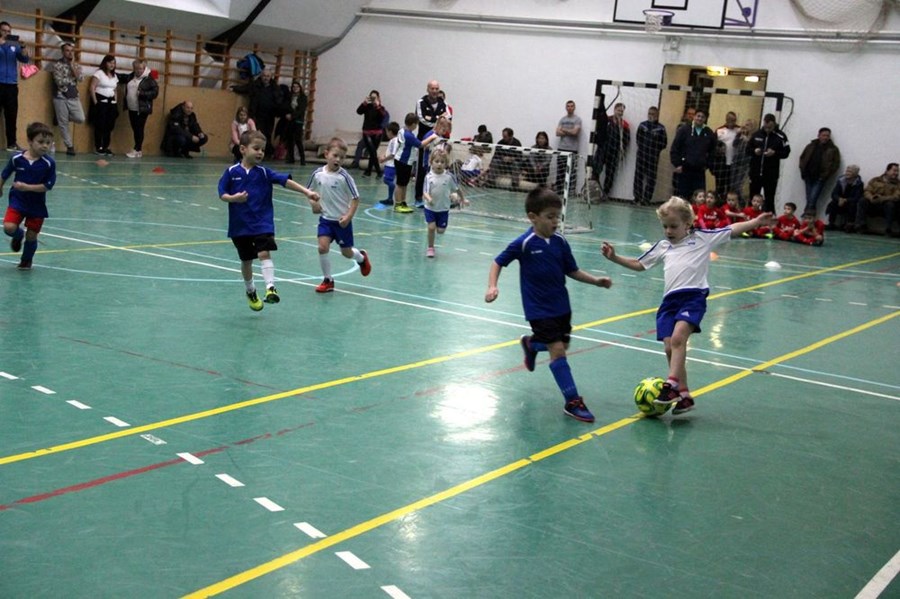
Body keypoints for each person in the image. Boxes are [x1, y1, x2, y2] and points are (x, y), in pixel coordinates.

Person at [601, 196, 774, 414]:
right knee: (669, 347)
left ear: (687, 224)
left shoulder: (702, 238)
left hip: (693, 298)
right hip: (669, 302)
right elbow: (639, 264)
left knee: (678, 339)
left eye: (673, 226)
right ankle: (684, 396)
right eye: (665, 226)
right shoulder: (663, 246)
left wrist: (756, 222)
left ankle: (671, 385)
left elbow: (732, 229)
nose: (668, 231)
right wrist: (615, 258)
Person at [485, 187, 613, 423]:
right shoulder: (524, 243)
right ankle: (573, 402)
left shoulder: (560, 241)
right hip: (538, 309)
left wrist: (596, 281)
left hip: (561, 306)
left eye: (558, 216)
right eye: (550, 216)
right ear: (533, 217)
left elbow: (572, 270)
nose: (556, 221)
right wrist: (492, 286)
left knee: (563, 345)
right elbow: (498, 262)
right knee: (558, 351)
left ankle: (532, 344)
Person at [218, 130, 319, 311]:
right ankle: (250, 290)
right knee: (246, 261)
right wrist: (234, 198)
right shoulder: (231, 172)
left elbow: (285, 181)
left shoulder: (264, 173)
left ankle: (271, 288)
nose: (260, 153)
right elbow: (222, 194)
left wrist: (307, 192)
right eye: (256, 148)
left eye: (263, 150)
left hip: (262, 223)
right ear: (243, 149)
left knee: (264, 253)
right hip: (240, 226)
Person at [305, 137, 373, 292]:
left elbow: (355, 199)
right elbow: (308, 191)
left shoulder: (345, 177)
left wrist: (348, 217)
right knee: (322, 248)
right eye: (335, 155)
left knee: (346, 253)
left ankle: (361, 258)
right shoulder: (317, 174)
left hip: (342, 222)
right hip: (325, 220)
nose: (338, 160)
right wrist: (313, 204)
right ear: (326, 154)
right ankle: (328, 280)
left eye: (342, 157)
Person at [1, 122, 56, 270]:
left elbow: (48, 186)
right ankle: (18, 235)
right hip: (17, 201)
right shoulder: (17, 158)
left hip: (37, 205)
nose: (45, 146)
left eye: (48, 143)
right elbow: (5, 174)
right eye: (41, 142)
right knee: (8, 227)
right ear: (30, 141)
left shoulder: (49, 163)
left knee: (32, 236)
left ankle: (26, 261)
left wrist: (26, 187)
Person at [414, 80, 450, 207]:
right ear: (428, 89)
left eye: (437, 89)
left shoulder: (444, 103)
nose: (434, 91)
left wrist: (436, 120)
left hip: (439, 142)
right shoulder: (421, 102)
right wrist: (438, 119)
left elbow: (448, 119)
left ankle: (437, 198)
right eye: (432, 88)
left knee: (439, 171)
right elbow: (422, 119)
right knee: (422, 170)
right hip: (424, 142)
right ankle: (419, 197)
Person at [747, 113, 791, 213]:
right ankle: (750, 217)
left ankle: (769, 218)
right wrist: (754, 151)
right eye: (766, 127)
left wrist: (774, 153)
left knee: (769, 199)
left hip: (771, 174)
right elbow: (747, 150)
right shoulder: (756, 134)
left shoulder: (781, 136)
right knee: (753, 198)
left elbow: (786, 152)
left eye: (770, 127)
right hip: (755, 173)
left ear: (774, 124)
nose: (767, 129)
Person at [423, 149, 462, 258]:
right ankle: (430, 248)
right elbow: (425, 192)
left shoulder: (449, 177)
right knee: (431, 227)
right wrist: (429, 199)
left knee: (440, 231)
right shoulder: (428, 177)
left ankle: (437, 226)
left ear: (446, 164)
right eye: (436, 161)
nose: (439, 164)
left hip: (443, 208)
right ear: (431, 162)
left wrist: (462, 199)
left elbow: (457, 188)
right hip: (430, 208)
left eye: (442, 162)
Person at [670, 109, 717, 200]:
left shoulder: (709, 133)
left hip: (699, 171)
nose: (700, 118)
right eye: (698, 116)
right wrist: (677, 164)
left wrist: (707, 164)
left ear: (705, 119)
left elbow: (712, 151)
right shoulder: (684, 130)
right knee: (682, 197)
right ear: (694, 117)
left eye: (702, 117)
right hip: (684, 169)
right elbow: (675, 148)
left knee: (699, 197)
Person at [0, 22, 30, 151]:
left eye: (9, 31)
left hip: (11, 85)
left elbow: (25, 59)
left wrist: (23, 47)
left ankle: (12, 143)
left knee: (11, 116)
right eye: (4, 30)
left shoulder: (14, 45)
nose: (6, 33)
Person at [50, 42, 84, 156]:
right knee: (63, 124)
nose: (70, 53)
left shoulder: (76, 65)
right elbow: (59, 81)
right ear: (63, 52)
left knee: (80, 118)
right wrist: (71, 78)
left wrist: (72, 67)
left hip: (73, 95)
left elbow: (81, 78)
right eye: (67, 50)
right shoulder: (57, 65)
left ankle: (60, 117)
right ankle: (69, 146)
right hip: (60, 95)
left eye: (71, 51)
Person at [798, 127, 841, 216]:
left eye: (827, 136)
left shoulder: (833, 149)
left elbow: (836, 164)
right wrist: (802, 170)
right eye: (823, 135)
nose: (825, 137)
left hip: (820, 177)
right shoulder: (810, 146)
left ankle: (807, 214)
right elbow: (803, 158)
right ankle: (810, 215)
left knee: (813, 197)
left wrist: (826, 174)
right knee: (809, 197)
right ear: (819, 135)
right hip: (808, 175)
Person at [122, 59, 158, 159]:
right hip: (131, 107)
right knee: (135, 128)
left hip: (142, 108)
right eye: (136, 68)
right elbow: (122, 77)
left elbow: (155, 92)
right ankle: (138, 149)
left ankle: (137, 149)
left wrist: (143, 94)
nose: (138, 71)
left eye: (141, 69)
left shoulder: (149, 79)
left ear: (144, 68)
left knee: (139, 128)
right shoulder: (131, 76)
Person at [633, 106, 667, 205]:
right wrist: (642, 149)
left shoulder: (661, 128)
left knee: (651, 178)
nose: (650, 116)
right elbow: (638, 139)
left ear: (657, 115)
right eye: (649, 113)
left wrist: (655, 151)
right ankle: (637, 197)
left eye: (653, 114)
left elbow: (664, 143)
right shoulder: (642, 125)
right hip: (641, 155)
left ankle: (646, 199)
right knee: (638, 176)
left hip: (653, 157)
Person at [89, 54, 122, 155]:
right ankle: (99, 146)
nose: (112, 65)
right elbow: (92, 87)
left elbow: (115, 90)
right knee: (100, 125)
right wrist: (95, 102)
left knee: (109, 126)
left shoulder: (114, 76)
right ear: (105, 63)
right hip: (101, 102)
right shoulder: (99, 73)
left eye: (114, 63)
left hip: (111, 103)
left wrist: (115, 101)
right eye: (110, 62)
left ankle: (106, 146)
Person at [248, 69, 284, 159]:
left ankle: (267, 153)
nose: (266, 78)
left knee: (268, 134)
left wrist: (278, 111)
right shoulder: (256, 85)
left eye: (268, 76)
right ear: (261, 76)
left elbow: (279, 100)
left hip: (270, 115)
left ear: (271, 77)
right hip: (258, 115)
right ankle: (256, 152)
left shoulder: (275, 88)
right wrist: (235, 88)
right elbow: (246, 88)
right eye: (264, 76)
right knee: (258, 134)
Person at [857, 162, 900, 236]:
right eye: (894, 171)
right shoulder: (875, 180)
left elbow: (896, 196)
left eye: (897, 171)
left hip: (886, 206)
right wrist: (871, 198)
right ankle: (862, 225)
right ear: (887, 171)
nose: (896, 173)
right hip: (873, 204)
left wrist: (882, 199)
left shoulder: (898, 184)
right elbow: (867, 191)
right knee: (862, 201)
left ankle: (888, 229)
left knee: (890, 205)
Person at [392, 112, 423, 214]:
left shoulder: (403, 130)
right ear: (413, 124)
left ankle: (403, 202)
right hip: (403, 161)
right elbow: (420, 144)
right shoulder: (408, 135)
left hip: (406, 161)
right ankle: (397, 204)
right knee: (400, 184)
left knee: (404, 183)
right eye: (416, 124)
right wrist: (432, 137)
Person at [599, 102, 630, 198]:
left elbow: (626, 140)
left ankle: (605, 193)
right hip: (603, 149)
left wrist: (622, 151)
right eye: (618, 110)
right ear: (614, 110)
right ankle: (593, 190)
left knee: (610, 173)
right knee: (596, 169)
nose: (620, 112)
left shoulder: (624, 125)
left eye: (622, 111)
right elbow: (600, 132)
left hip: (614, 152)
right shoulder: (607, 120)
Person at [354, 90, 387, 177]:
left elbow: (383, 116)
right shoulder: (367, 107)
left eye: (374, 97)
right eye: (371, 97)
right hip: (367, 132)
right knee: (372, 151)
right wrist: (364, 103)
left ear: (378, 98)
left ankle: (368, 171)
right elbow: (358, 111)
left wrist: (377, 106)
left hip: (377, 133)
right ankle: (378, 172)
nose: (373, 99)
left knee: (373, 152)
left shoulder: (381, 108)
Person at [554, 100, 581, 196]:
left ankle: (569, 192)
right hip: (561, 148)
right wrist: (570, 131)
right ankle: (559, 190)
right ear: (566, 108)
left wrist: (564, 130)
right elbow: (557, 133)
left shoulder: (577, 120)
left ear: (574, 107)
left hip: (572, 149)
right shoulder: (562, 119)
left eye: (571, 106)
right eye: (568, 106)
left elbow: (575, 132)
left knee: (570, 171)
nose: (570, 108)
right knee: (560, 171)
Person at [826, 164, 864, 232]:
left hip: (850, 202)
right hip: (840, 201)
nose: (847, 173)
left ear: (855, 174)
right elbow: (834, 194)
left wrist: (845, 200)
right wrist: (839, 199)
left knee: (853, 205)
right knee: (833, 202)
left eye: (850, 172)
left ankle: (849, 224)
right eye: (847, 171)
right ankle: (831, 223)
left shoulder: (859, 184)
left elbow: (857, 197)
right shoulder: (841, 181)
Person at [712, 111, 740, 197]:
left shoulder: (739, 130)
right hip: (721, 164)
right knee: (720, 186)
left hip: (734, 163)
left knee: (731, 188)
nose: (732, 122)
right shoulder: (719, 130)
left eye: (734, 120)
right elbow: (712, 147)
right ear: (726, 119)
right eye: (730, 119)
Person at [282, 80, 308, 165]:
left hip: (298, 121)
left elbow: (301, 110)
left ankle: (302, 159)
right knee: (290, 140)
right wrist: (287, 114)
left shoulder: (303, 98)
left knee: (298, 140)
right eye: (293, 87)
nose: (295, 88)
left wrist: (292, 116)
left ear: (300, 88)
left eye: (297, 87)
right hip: (290, 121)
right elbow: (286, 106)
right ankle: (291, 158)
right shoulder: (289, 97)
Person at [729, 118, 755, 201]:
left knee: (738, 186)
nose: (745, 127)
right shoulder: (741, 134)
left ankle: (741, 202)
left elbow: (753, 150)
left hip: (745, 164)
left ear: (752, 127)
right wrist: (738, 135)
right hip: (736, 162)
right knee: (732, 185)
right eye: (745, 125)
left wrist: (747, 141)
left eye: (748, 125)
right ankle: (733, 202)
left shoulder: (754, 137)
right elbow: (734, 144)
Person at [377, 121, 399, 207]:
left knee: (387, 180)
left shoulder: (394, 141)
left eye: (386, 132)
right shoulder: (394, 140)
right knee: (388, 180)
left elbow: (393, 154)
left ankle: (391, 198)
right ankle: (390, 198)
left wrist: (384, 159)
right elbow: (389, 152)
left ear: (390, 132)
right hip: (391, 164)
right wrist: (384, 155)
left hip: (391, 165)